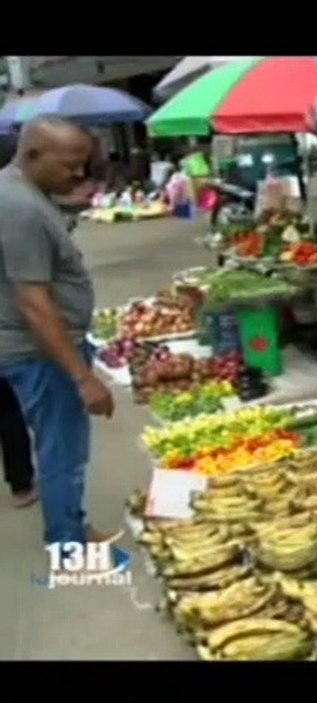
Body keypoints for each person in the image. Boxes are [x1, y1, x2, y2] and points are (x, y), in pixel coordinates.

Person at [0, 116, 116, 545]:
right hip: (41, 352)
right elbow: (34, 301)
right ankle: (68, 542)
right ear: (32, 155)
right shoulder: (19, 207)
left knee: (59, 447)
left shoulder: (23, 193)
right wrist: (83, 377)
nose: (78, 174)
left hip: (35, 348)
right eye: (70, 165)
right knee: (62, 452)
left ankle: (69, 531)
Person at [0, 132, 36, 507]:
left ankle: (21, 483)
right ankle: (23, 482)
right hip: (11, 332)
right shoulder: (13, 206)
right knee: (15, 407)